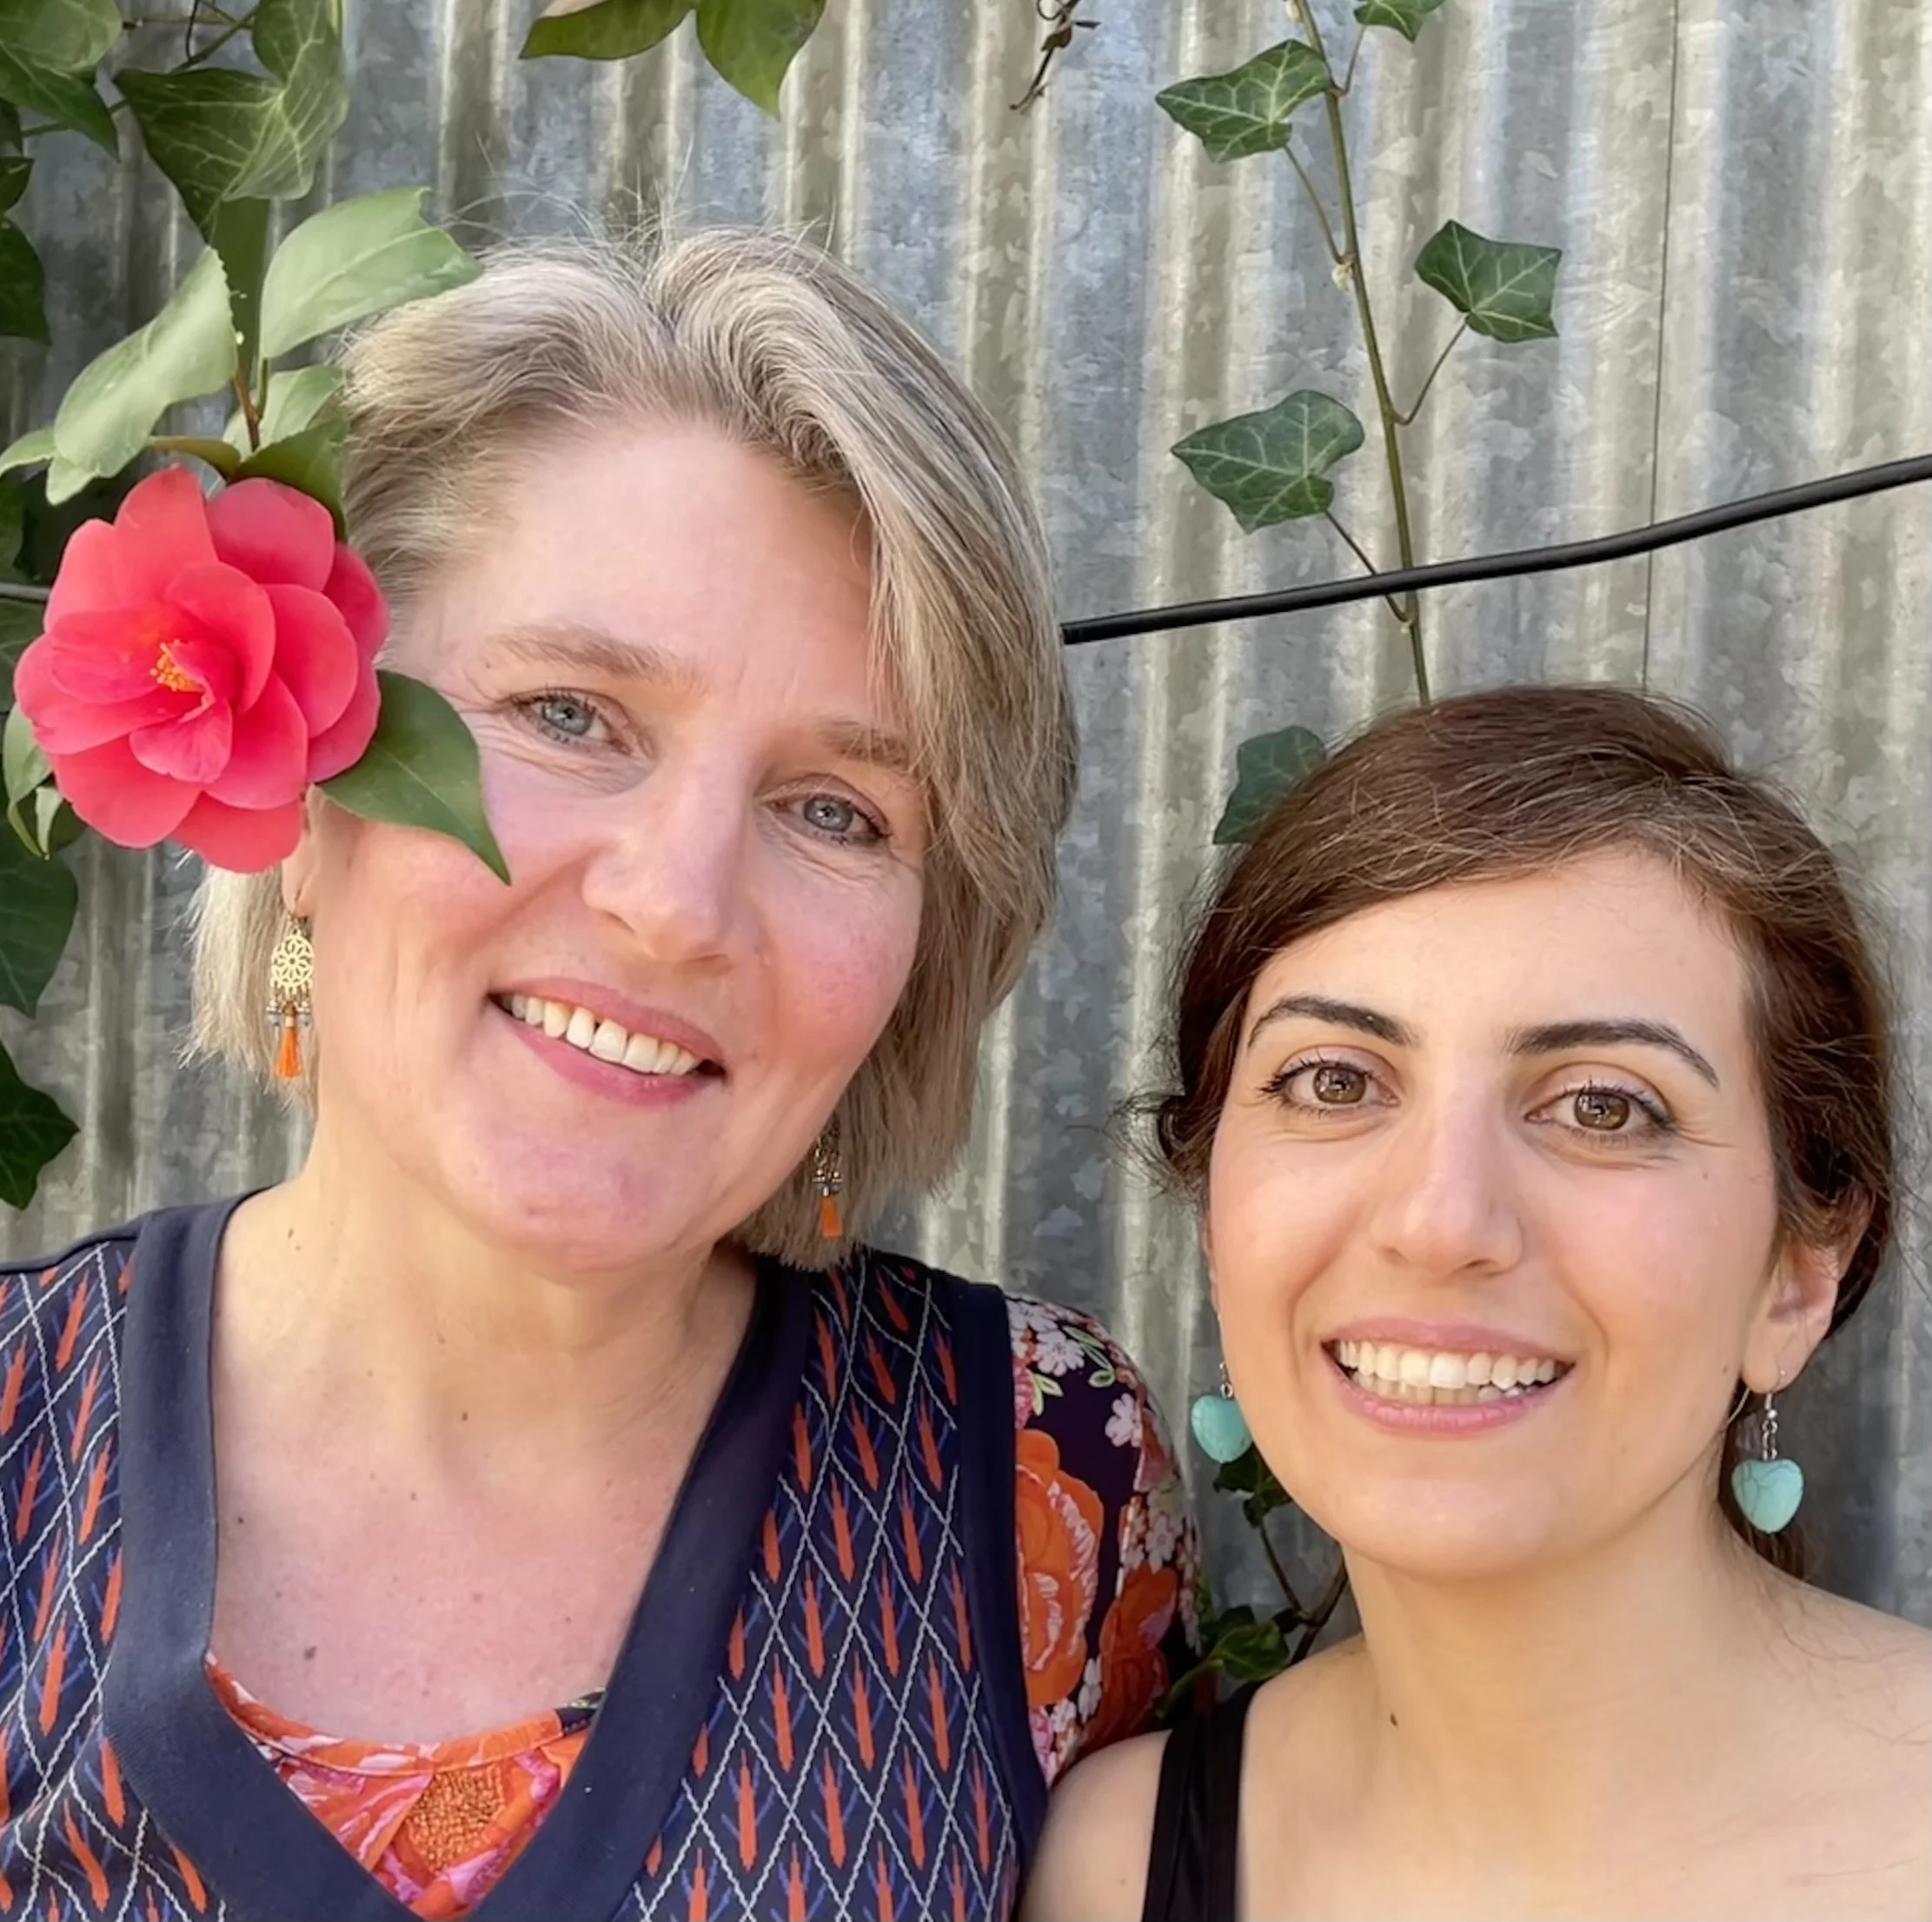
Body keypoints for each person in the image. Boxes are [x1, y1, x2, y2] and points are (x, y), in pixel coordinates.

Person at [0, 229, 1197, 1921]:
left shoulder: (1038, 1476)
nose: (675, 900)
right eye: (571, 713)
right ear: (304, 782)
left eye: (836, 810)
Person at [1024, 685, 1930, 1922]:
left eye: (1603, 1105)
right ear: (1212, 1215)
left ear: (1797, 1274)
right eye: (1334, 1078)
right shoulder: (1107, 1871)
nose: (1438, 1220)